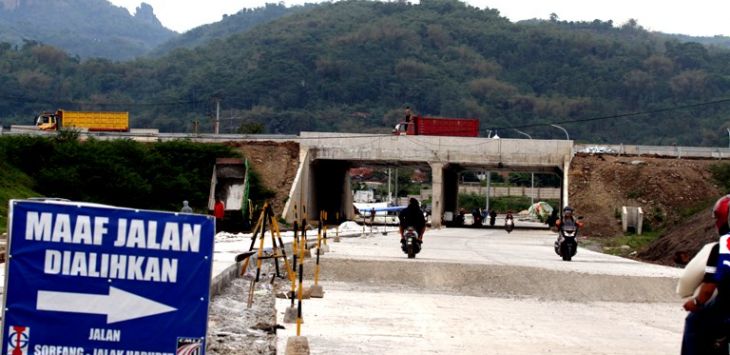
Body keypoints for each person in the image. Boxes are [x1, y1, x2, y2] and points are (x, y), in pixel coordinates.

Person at [681, 195, 730, 354]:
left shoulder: (723, 247)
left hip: (725, 310)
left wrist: (695, 303)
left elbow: (708, 289)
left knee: (693, 321)